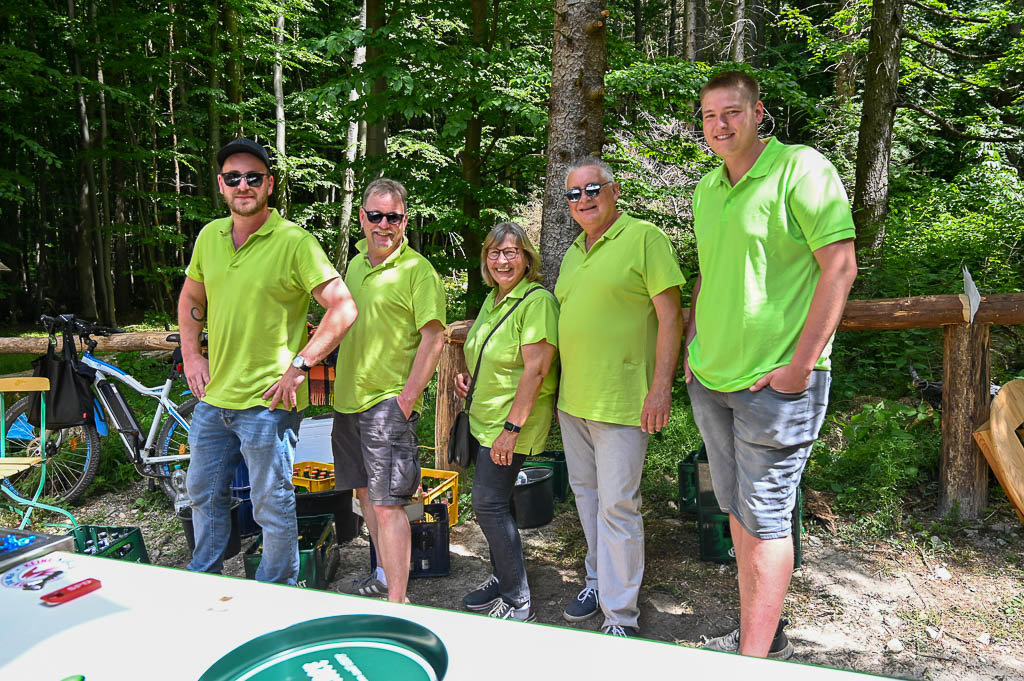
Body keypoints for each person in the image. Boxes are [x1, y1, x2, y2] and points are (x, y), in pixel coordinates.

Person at [687, 71, 857, 658]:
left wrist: (799, 367)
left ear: (759, 113)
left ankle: (752, 662)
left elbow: (839, 266)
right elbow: (710, 275)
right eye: (709, 116)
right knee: (736, 512)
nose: (720, 125)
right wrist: (692, 351)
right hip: (712, 379)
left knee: (765, 522)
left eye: (732, 112)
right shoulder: (707, 190)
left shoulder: (801, 168)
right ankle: (762, 637)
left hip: (776, 385)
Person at [178, 137, 358, 584]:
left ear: (269, 185)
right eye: (234, 178)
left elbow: (343, 308)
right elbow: (191, 296)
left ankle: (277, 591)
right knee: (202, 494)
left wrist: (301, 366)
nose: (244, 185)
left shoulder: (294, 242)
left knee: (271, 504)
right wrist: (191, 354)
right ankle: (206, 578)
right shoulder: (209, 237)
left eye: (253, 177)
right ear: (221, 185)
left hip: (268, 405)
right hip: (214, 398)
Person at [554, 158, 685, 637]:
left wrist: (660, 388)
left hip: (624, 400)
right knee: (587, 499)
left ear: (613, 190)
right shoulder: (573, 252)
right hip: (573, 401)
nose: (584, 199)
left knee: (618, 508)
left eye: (592, 189)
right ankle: (597, 581)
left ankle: (621, 616)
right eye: (573, 193)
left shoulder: (645, 238)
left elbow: (671, 318)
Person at [331, 178, 446, 605]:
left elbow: (434, 338)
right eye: (375, 215)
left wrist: (405, 401)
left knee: (389, 504)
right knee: (364, 496)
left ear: (405, 220)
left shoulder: (419, 271)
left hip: (387, 404)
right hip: (347, 403)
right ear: (362, 218)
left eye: (392, 217)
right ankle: (382, 574)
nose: (383, 224)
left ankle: (398, 602)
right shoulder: (356, 264)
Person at [455, 223, 559, 622]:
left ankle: (518, 600)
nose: (502, 260)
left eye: (511, 252)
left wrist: (511, 430)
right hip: (485, 419)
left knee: (489, 504)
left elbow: (536, 371)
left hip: (510, 425)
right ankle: (502, 577)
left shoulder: (536, 302)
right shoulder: (494, 299)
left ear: (527, 258)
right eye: (495, 253)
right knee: (494, 504)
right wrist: (468, 375)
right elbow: (482, 347)